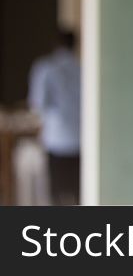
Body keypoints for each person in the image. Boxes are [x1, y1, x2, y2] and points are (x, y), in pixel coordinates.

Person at [28, 28, 81, 205]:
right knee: (77, 191)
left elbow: (38, 105)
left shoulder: (45, 68)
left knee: (57, 193)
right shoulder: (83, 68)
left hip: (56, 138)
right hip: (80, 138)